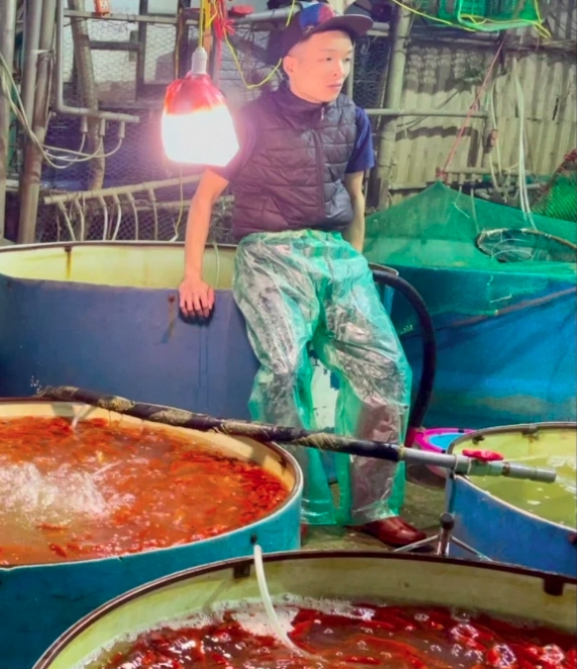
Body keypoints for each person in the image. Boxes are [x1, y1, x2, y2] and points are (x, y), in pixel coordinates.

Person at [178, 2, 424, 547]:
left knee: (387, 370)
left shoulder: (354, 119)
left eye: (345, 59)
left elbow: (356, 198)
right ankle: (299, 502)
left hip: (335, 257)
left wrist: (356, 262)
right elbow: (204, 200)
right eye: (326, 58)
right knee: (285, 369)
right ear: (290, 64)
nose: (339, 70)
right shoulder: (249, 119)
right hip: (268, 252)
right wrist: (192, 275)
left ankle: (372, 507)